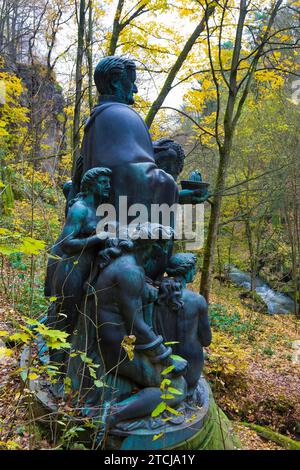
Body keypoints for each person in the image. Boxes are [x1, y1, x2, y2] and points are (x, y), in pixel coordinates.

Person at [69, 56, 179, 220]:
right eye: (132, 81)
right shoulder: (119, 115)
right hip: (118, 222)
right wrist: (168, 183)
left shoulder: (101, 116)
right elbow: (129, 173)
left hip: (105, 215)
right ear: (115, 82)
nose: (135, 89)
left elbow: (124, 163)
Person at [46, 167, 112, 367]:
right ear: (91, 185)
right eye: (103, 182)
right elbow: (67, 243)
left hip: (85, 270)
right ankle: (56, 371)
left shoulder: (97, 210)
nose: (108, 186)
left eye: (108, 182)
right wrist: (97, 238)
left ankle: (67, 368)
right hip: (70, 270)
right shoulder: (80, 209)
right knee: (64, 320)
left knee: (75, 319)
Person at [154, 253, 212, 396]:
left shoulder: (156, 297)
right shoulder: (197, 300)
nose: (196, 271)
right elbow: (206, 340)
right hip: (190, 370)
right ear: (188, 271)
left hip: (161, 365)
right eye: (194, 268)